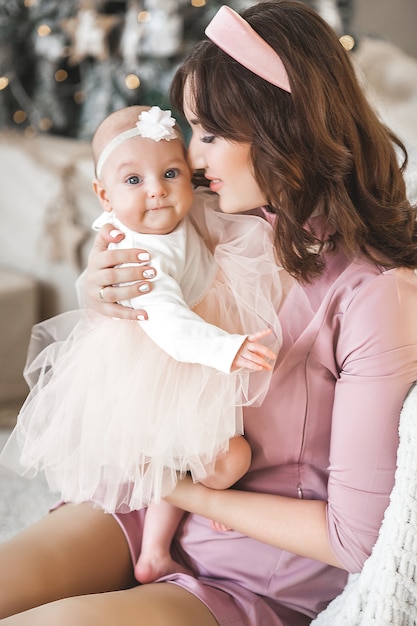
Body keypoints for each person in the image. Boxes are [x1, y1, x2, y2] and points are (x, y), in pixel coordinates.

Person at [1, 2, 417, 624]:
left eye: (212, 135)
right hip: (143, 506)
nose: (193, 159)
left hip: (249, 574)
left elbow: (353, 538)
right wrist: (103, 293)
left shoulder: (375, 298)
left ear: (282, 129)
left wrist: (182, 488)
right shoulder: (218, 216)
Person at [0, 104, 280, 583]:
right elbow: (169, 321)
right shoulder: (138, 253)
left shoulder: (181, 216)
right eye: (134, 181)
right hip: (164, 364)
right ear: (103, 194)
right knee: (223, 458)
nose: (156, 189)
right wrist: (223, 348)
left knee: (193, 456)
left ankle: (155, 549)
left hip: (177, 361)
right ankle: (166, 532)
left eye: (171, 173)